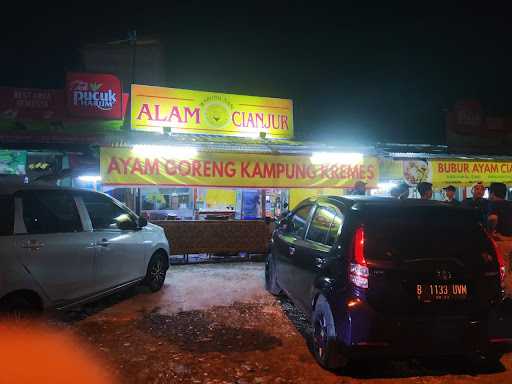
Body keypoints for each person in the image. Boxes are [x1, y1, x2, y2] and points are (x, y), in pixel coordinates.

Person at [487, 182, 512, 298]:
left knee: (503, 270)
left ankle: (506, 297)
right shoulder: (510, 204)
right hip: (510, 240)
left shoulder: (494, 204)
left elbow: (493, 218)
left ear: (492, 193)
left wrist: (491, 231)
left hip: (501, 242)